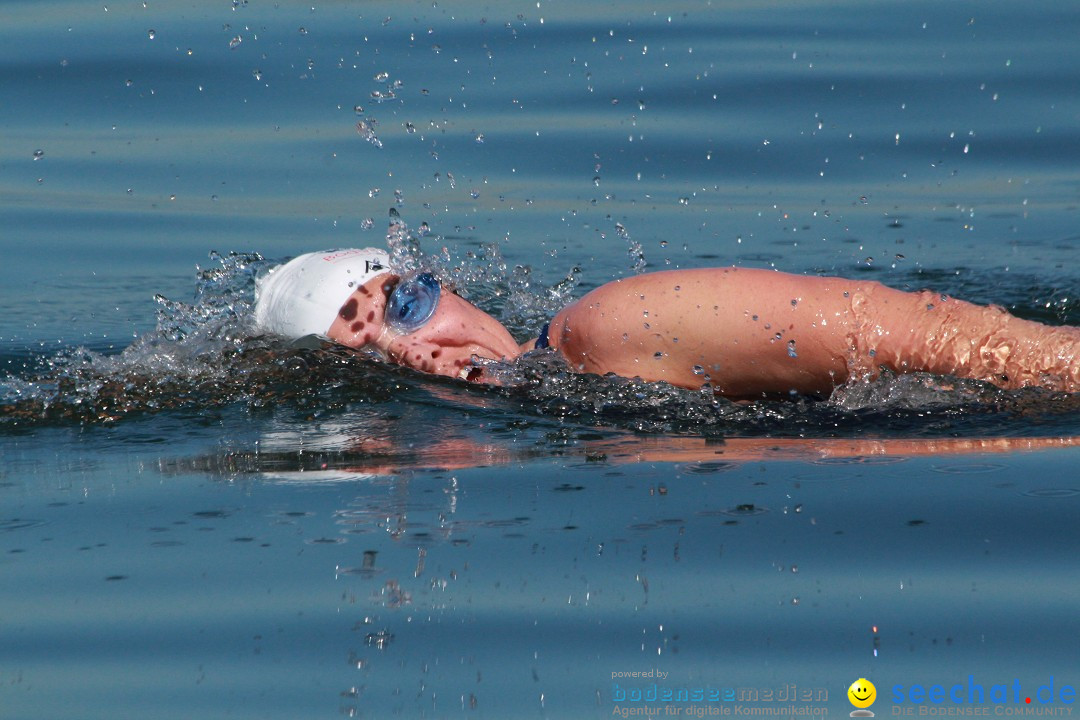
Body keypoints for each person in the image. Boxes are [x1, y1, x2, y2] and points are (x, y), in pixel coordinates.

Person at [252, 248, 1080, 398]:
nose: (412, 348)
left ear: (448, 287)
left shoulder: (607, 329)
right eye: (363, 355)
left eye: (402, 305)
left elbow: (938, 339)